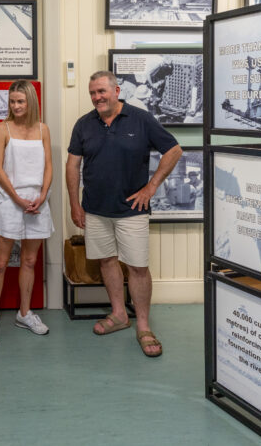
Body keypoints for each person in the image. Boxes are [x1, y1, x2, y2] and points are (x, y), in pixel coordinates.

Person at [65, 71, 183, 357]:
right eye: (92, 93)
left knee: (138, 267)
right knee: (107, 261)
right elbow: (72, 166)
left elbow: (174, 150)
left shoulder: (140, 119)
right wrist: (74, 205)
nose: (97, 98)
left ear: (117, 90)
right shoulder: (84, 124)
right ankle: (119, 314)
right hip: (95, 209)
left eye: (102, 91)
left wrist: (151, 187)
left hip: (132, 210)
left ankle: (143, 325)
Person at [0, 80, 53, 346]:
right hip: (10, 201)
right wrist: (17, 198)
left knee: (30, 261)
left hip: (37, 202)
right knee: (0, 263)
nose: (15, 106)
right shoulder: (2, 129)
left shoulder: (43, 129)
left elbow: (49, 166)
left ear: (31, 101)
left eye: (20, 101)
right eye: (12, 101)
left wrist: (42, 195)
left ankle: (24, 313)